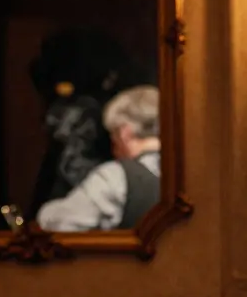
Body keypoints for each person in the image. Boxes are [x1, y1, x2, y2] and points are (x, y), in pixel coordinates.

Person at [36, 85, 161, 232]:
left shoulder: (115, 177)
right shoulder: (189, 167)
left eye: (112, 136)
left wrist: (45, 212)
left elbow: (59, 223)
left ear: (124, 134)